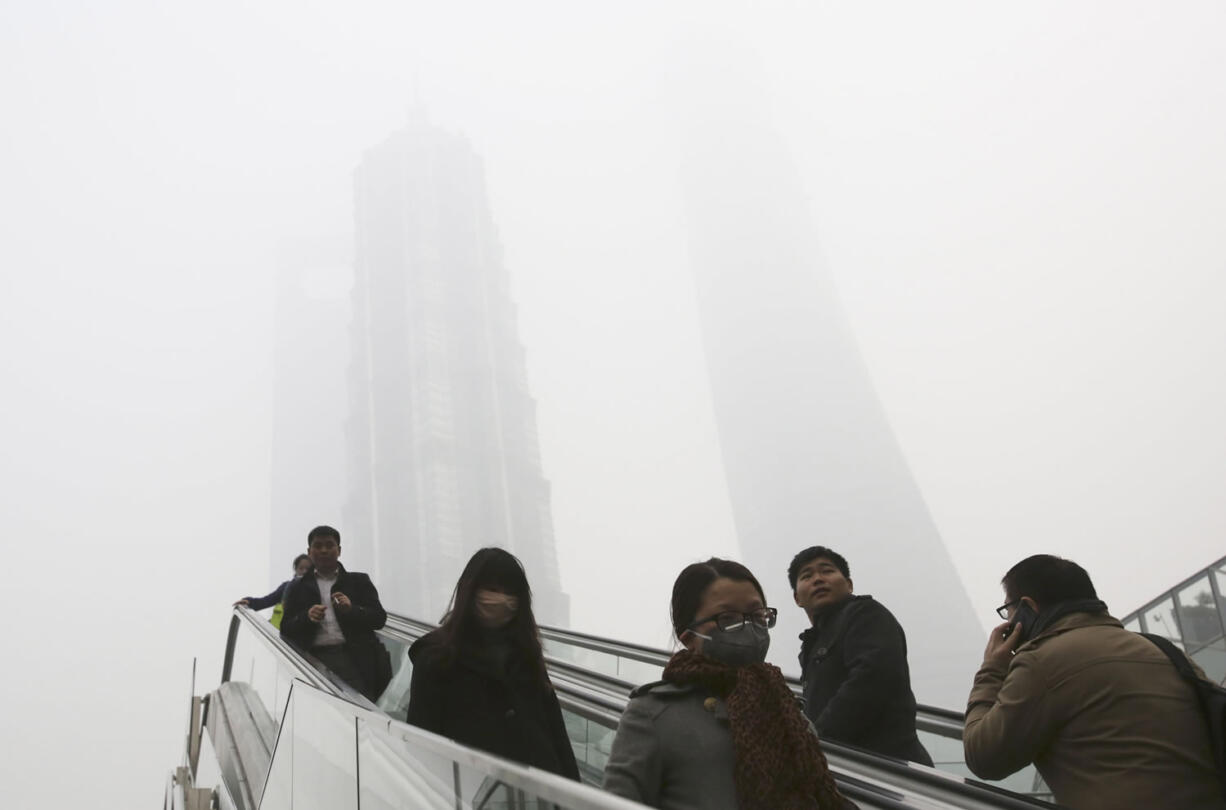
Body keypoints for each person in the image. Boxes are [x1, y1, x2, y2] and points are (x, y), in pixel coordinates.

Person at [964, 554, 1225, 809]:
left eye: (1008, 612)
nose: (1008, 623)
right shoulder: (1162, 649)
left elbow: (983, 757)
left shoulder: (1041, 661)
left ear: (1028, 609)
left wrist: (992, 670)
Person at [603, 557, 850, 810]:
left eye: (757, 615)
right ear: (689, 636)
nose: (748, 626)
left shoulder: (789, 713)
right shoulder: (654, 713)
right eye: (728, 618)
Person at [405, 548, 580, 780]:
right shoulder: (435, 657)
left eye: (510, 592)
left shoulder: (526, 654)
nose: (501, 600)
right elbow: (422, 745)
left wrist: (575, 793)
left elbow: (556, 732)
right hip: (474, 790)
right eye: (492, 590)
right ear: (470, 591)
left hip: (542, 791)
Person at [789, 546, 931, 765]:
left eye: (827, 571)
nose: (817, 579)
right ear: (797, 598)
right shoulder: (812, 645)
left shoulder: (865, 613)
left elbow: (872, 678)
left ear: (849, 584)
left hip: (890, 768)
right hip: (846, 764)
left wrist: (817, 742)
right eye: (807, 576)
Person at [280, 526, 392, 702]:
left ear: (339, 550)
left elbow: (379, 618)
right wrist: (307, 617)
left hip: (354, 660)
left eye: (329, 545)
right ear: (310, 552)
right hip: (312, 662)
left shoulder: (359, 581)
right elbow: (285, 629)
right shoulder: (297, 587)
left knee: (364, 714)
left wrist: (352, 609)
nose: (324, 550)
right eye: (318, 546)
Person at [234, 554, 312, 629]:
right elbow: (266, 601)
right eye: (301, 568)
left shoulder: (317, 589)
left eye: (307, 569)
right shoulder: (286, 587)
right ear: (295, 570)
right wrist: (249, 602)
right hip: (282, 634)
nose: (304, 571)